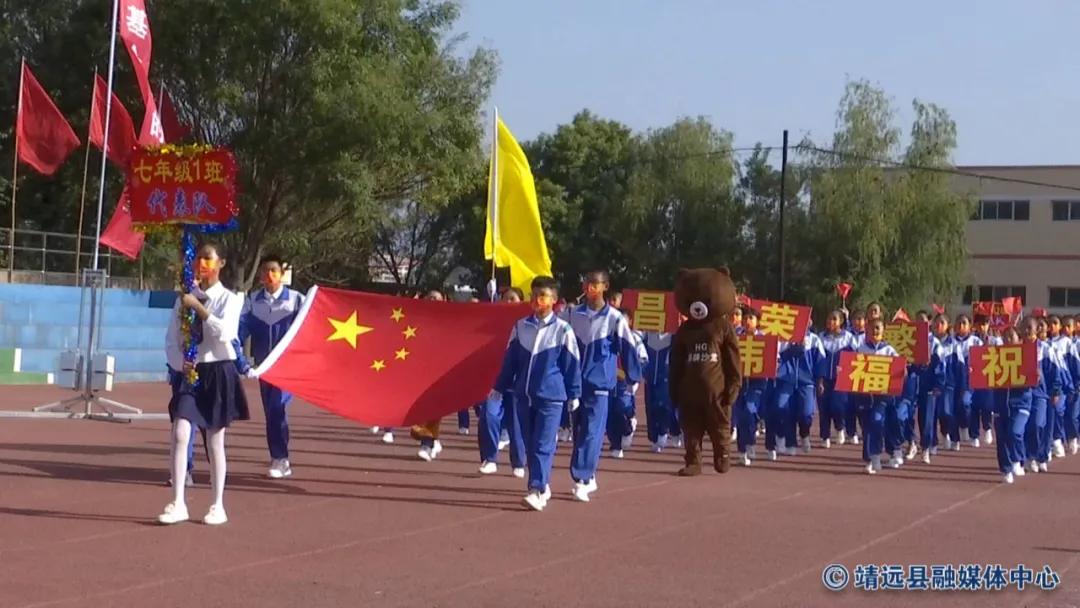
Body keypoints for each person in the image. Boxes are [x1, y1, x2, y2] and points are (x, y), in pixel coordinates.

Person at [159, 241, 249, 526]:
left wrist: (199, 307)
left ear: (220, 263)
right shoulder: (182, 299)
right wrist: (179, 364)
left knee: (214, 441)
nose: (201, 264)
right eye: (198, 258)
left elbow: (226, 334)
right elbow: (171, 339)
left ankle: (217, 504)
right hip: (191, 374)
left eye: (208, 258)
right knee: (180, 432)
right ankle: (178, 502)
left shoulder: (231, 299)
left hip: (219, 372)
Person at [492, 276, 581, 511]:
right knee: (530, 443)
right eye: (533, 296)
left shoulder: (563, 330)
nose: (536, 301)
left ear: (553, 300)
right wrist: (499, 387)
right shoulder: (521, 326)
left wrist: (574, 394)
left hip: (551, 397)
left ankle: (537, 489)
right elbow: (510, 361)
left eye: (542, 296)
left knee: (542, 443)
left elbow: (572, 364)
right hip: (524, 394)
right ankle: (542, 483)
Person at [567, 270, 643, 502]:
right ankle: (588, 477)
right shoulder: (572, 315)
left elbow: (628, 348)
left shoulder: (615, 318)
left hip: (600, 384)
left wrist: (633, 377)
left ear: (605, 286)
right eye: (587, 283)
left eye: (595, 284)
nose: (590, 287)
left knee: (592, 431)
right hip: (575, 385)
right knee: (579, 431)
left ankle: (582, 477)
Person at [238, 254, 304, 479]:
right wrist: (241, 360)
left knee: (277, 407)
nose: (269, 275)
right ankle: (278, 456)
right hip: (264, 367)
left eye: (273, 270)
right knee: (271, 412)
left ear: (281, 274)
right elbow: (240, 331)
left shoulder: (296, 300)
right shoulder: (252, 300)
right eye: (265, 271)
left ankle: (281, 457)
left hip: (287, 367)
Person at [478, 287, 527, 478]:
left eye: (513, 299)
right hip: (495, 381)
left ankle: (519, 462)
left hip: (517, 382)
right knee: (488, 416)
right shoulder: (492, 322)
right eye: (505, 298)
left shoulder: (526, 324)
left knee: (516, 425)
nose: (508, 302)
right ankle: (489, 459)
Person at [853, 318, 899, 474]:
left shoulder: (889, 350)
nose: (875, 331)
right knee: (867, 427)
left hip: (883, 397)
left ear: (883, 330)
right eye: (872, 328)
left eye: (878, 328)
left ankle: (876, 456)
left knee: (877, 420)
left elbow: (899, 371)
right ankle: (869, 459)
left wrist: (903, 372)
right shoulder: (861, 349)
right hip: (865, 396)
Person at [414, 290, 449, 461]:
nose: (433, 300)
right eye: (430, 298)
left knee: (431, 411)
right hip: (419, 373)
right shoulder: (417, 320)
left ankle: (427, 444)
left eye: (437, 298)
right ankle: (433, 441)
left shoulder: (450, 321)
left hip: (440, 375)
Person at [817, 310, 858, 447]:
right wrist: (820, 379)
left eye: (834, 319)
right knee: (824, 408)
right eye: (829, 319)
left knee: (838, 406)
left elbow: (857, 356)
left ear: (841, 321)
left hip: (841, 379)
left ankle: (840, 427)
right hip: (824, 379)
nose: (831, 322)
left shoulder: (848, 338)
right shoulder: (821, 337)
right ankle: (825, 436)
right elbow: (818, 360)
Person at [995, 327, 1029, 484]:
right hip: (1000, 404)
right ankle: (1006, 469)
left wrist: (1035, 374)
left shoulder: (1027, 356)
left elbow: (1036, 380)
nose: (1008, 340)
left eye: (1011, 336)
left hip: (1021, 403)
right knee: (1002, 438)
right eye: (1005, 337)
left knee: (1014, 432)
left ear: (1019, 339)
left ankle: (1017, 459)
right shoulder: (994, 356)